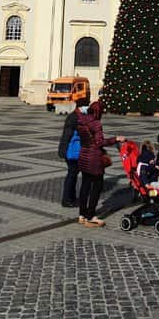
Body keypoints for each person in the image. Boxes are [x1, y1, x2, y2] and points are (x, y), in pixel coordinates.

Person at [76, 99, 123, 227]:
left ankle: (82, 214)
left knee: (85, 186)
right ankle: (91, 216)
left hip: (83, 156)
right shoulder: (96, 124)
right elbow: (99, 142)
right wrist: (115, 139)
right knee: (96, 187)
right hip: (94, 159)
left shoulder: (81, 121)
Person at [57, 97, 88, 208]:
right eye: (86, 105)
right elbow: (67, 136)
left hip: (75, 151)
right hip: (71, 151)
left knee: (73, 174)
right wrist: (63, 151)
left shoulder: (79, 116)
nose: (87, 107)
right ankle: (66, 200)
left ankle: (72, 197)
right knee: (72, 174)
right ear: (80, 107)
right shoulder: (73, 117)